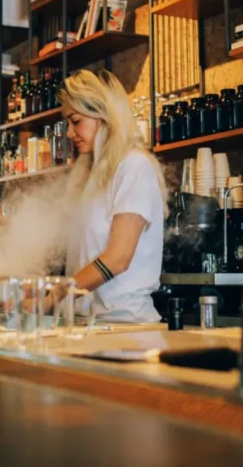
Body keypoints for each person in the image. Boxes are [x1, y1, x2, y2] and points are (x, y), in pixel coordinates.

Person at [58, 69, 167, 322]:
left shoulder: (134, 166)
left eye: (75, 121)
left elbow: (118, 258)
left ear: (104, 115)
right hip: (87, 324)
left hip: (126, 325)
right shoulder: (91, 175)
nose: (69, 133)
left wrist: (57, 294)